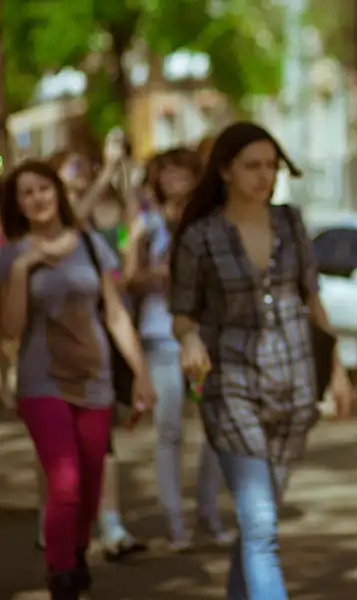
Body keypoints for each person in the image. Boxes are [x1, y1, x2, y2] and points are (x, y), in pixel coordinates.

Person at [169, 121, 354, 600]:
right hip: (231, 387)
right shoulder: (200, 236)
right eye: (253, 166)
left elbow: (313, 301)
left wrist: (336, 373)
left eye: (271, 166)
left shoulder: (290, 222)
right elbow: (182, 313)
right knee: (261, 525)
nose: (264, 176)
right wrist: (189, 340)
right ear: (225, 170)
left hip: (295, 387)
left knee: (258, 526)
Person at [0, 160, 155, 600]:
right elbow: (10, 329)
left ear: (58, 192)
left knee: (89, 486)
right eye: (27, 193)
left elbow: (116, 313)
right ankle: (61, 576)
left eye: (43, 188)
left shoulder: (90, 243)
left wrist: (140, 373)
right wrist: (21, 269)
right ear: (17, 205)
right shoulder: (10, 256)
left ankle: (76, 554)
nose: (37, 198)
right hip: (42, 381)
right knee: (64, 484)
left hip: (95, 380)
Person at [123, 147, 233, 552]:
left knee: (214, 424)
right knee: (169, 429)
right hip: (161, 337)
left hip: (202, 339)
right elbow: (127, 276)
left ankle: (208, 510)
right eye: (166, 173)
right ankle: (175, 523)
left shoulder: (211, 221)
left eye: (182, 172)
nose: (175, 180)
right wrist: (158, 272)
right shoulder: (146, 222)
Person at [49, 137, 149, 560]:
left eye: (83, 166)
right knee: (60, 448)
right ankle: (59, 524)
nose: (81, 173)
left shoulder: (97, 229)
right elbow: (73, 216)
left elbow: (127, 236)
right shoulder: (50, 227)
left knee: (102, 440)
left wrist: (125, 181)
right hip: (55, 354)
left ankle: (110, 524)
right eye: (71, 168)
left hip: (100, 342)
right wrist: (107, 169)